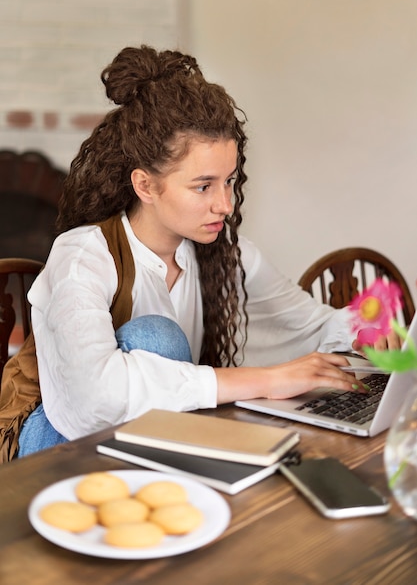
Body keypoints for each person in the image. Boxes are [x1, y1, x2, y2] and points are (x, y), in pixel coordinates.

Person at [9, 45, 399, 457]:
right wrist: (264, 380)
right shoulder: (82, 256)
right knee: (155, 337)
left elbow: (313, 326)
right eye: (203, 186)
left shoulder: (226, 256)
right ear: (145, 186)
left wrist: (367, 331)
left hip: (144, 445)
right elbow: (93, 398)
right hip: (52, 446)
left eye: (229, 181)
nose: (225, 204)